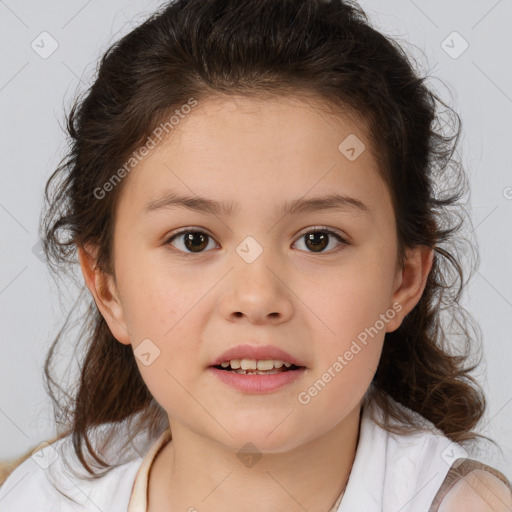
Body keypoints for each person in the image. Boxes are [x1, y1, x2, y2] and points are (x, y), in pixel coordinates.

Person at [1, 0, 511, 510]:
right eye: (193, 239)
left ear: (403, 280)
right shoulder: (42, 496)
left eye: (318, 239)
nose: (257, 297)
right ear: (107, 286)